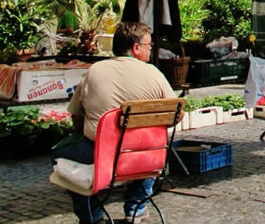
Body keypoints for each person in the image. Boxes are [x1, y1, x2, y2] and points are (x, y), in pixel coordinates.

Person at [53, 21, 176, 224]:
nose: (151, 49)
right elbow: (175, 115)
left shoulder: (95, 70)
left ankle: (93, 216)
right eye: (149, 46)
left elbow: (75, 113)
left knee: (60, 155)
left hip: (101, 156)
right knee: (154, 147)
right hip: (145, 159)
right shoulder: (154, 73)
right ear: (136, 48)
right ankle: (136, 209)